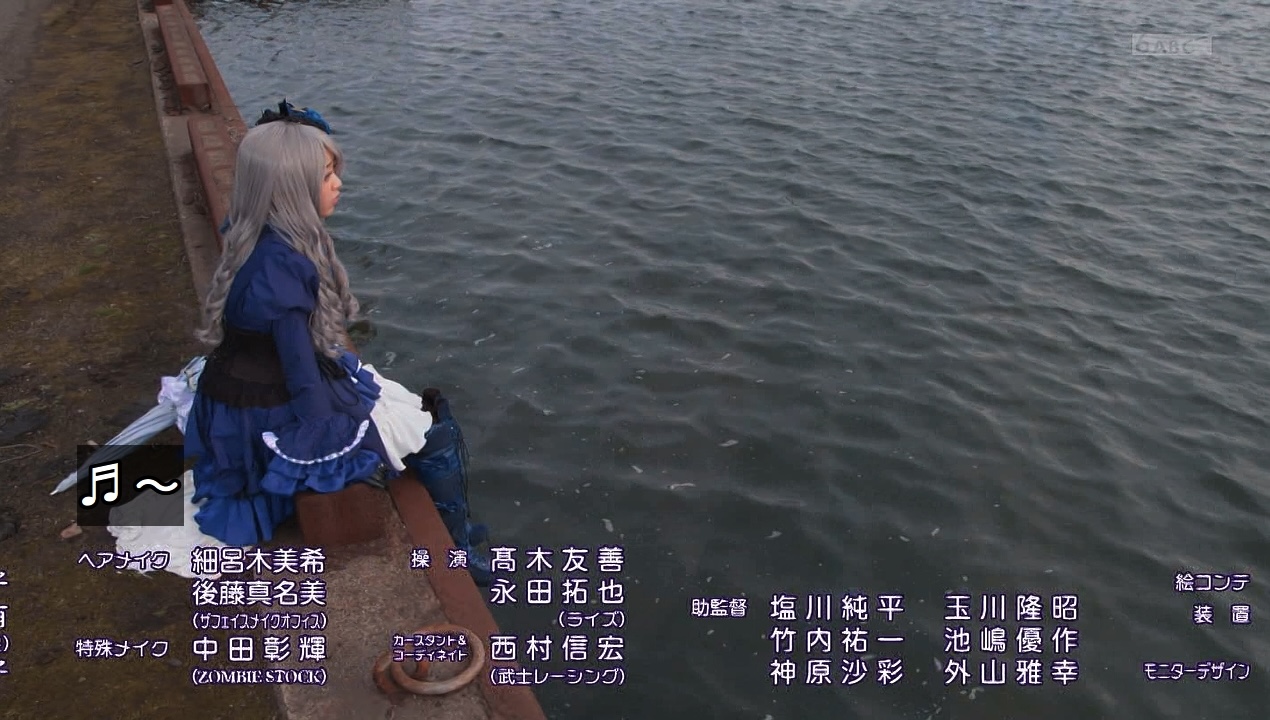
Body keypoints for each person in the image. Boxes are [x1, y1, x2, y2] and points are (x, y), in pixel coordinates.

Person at [183, 102, 491, 583]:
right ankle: (459, 552)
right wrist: (330, 441)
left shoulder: (256, 233)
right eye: (326, 175)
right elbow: (301, 375)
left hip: (238, 393)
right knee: (434, 433)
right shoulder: (283, 267)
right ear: (290, 188)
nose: (338, 184)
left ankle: (460, 538)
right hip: (270, 408)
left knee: (407, 407)